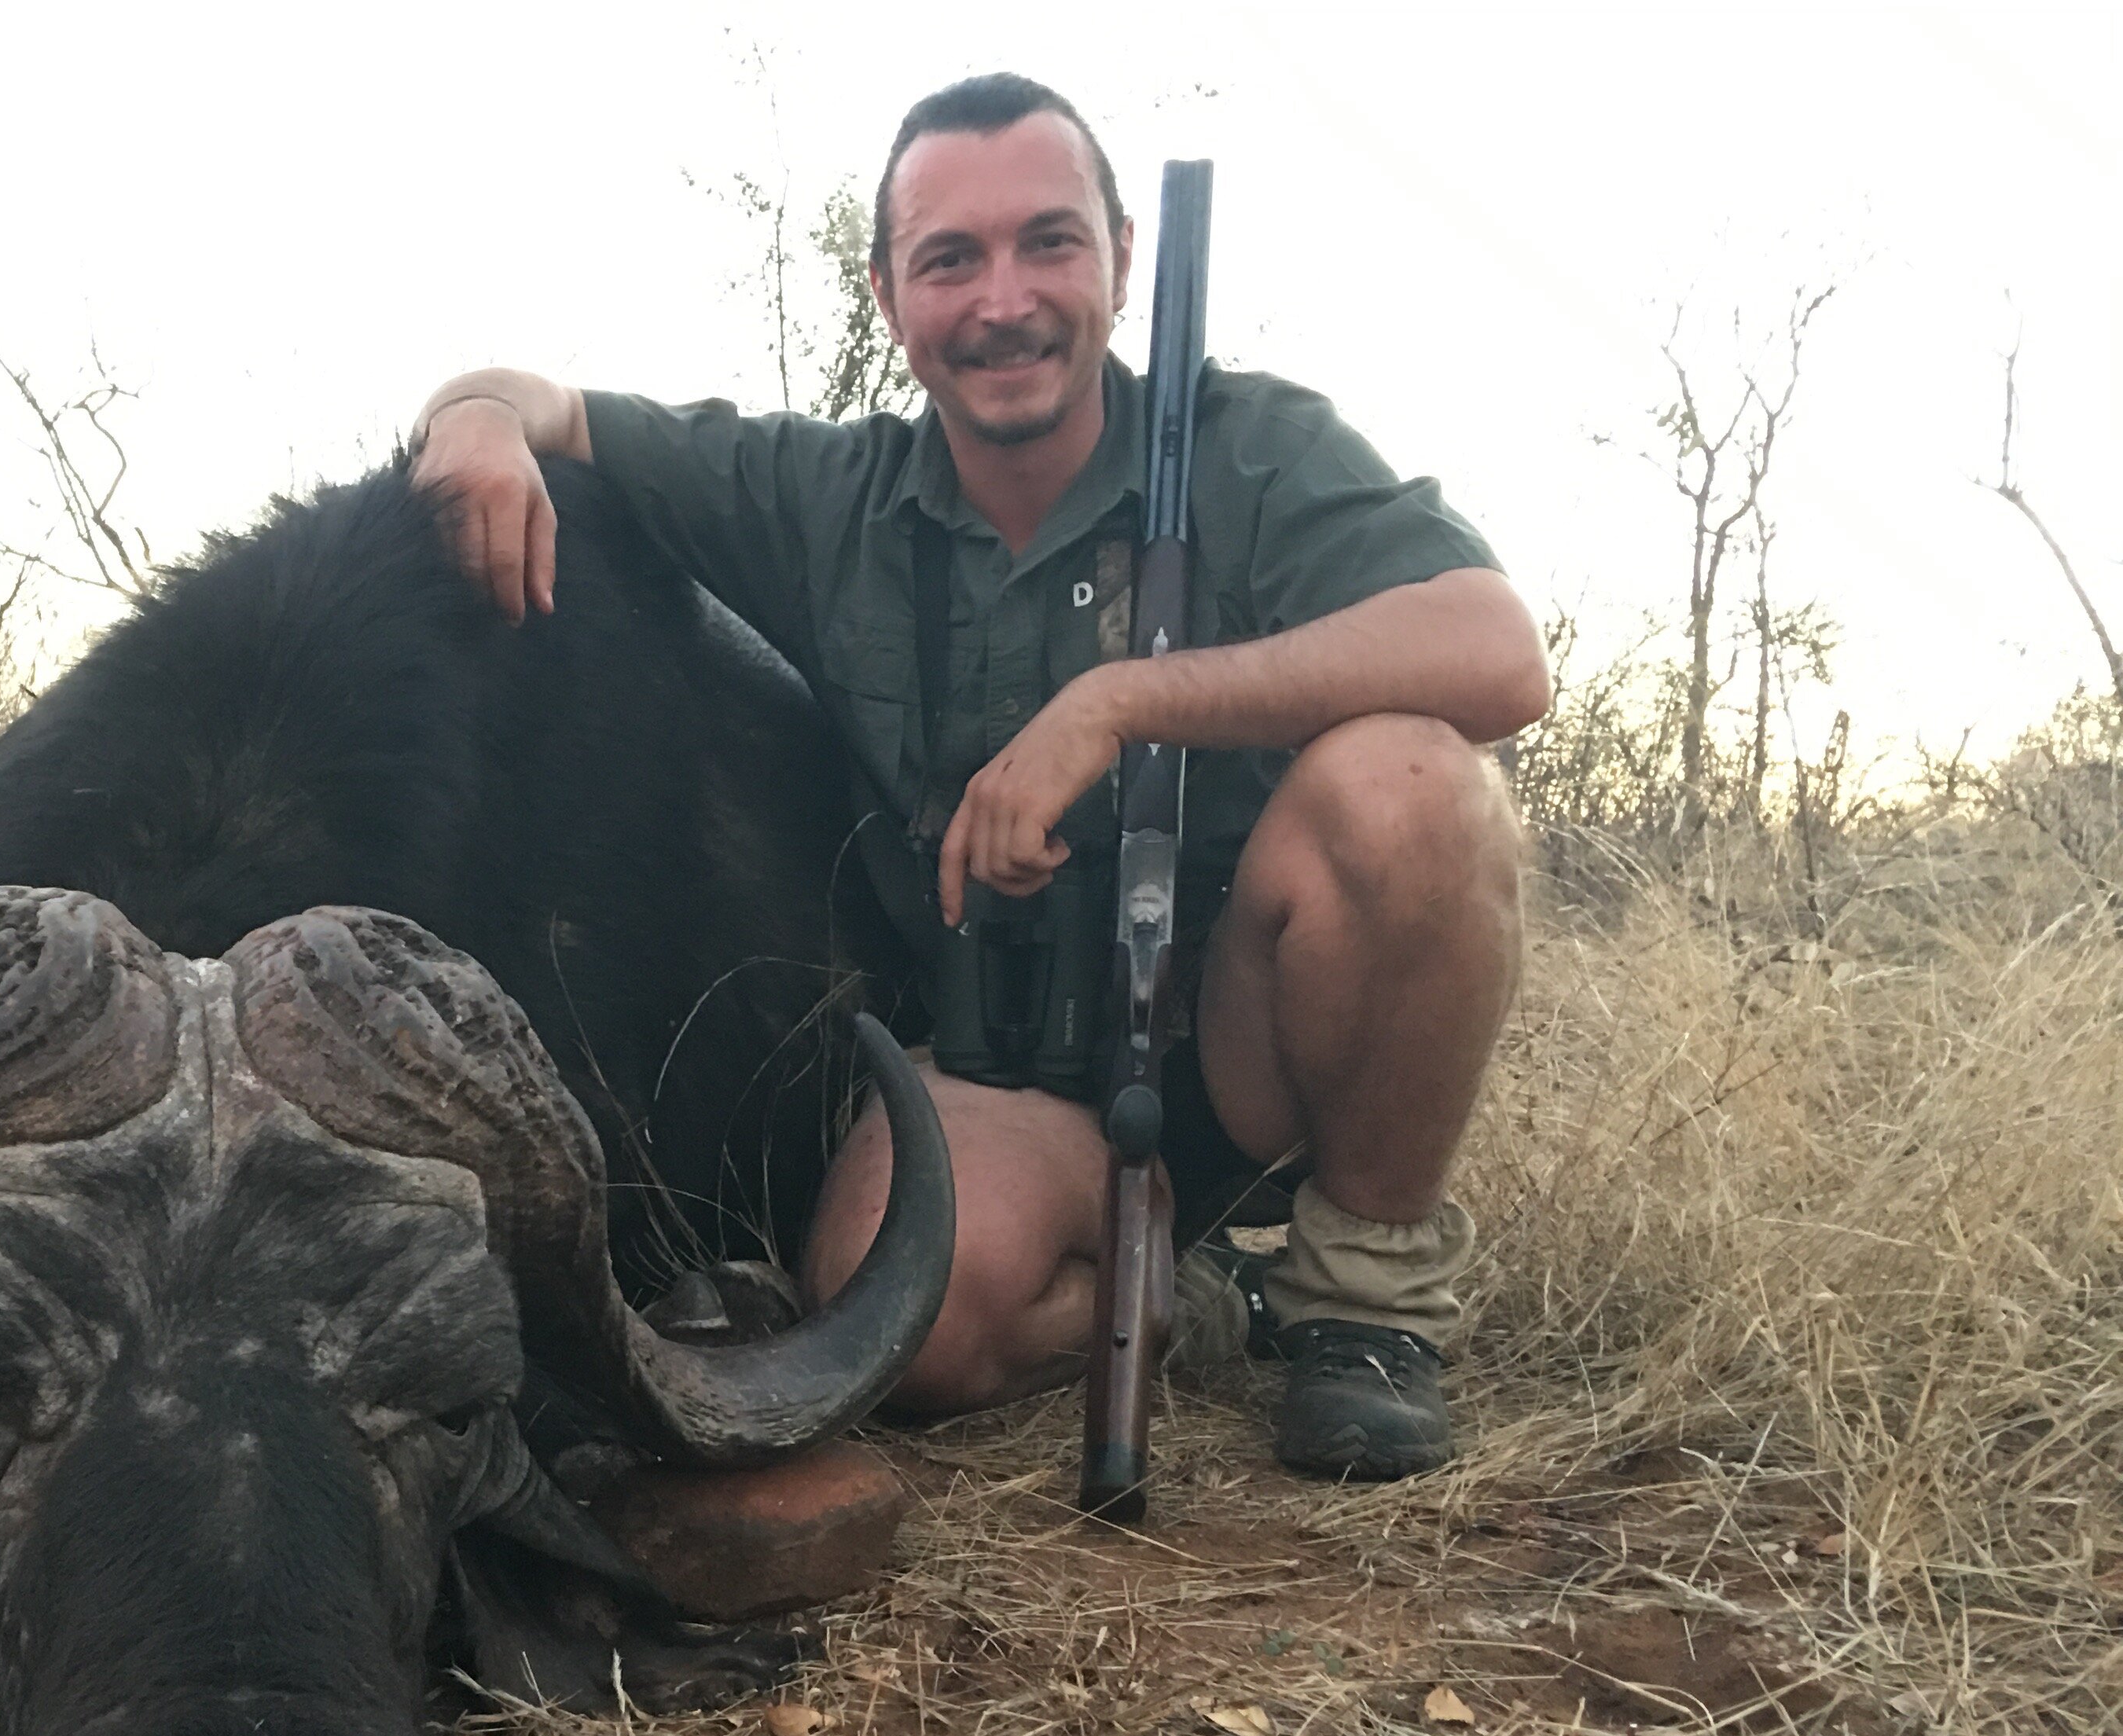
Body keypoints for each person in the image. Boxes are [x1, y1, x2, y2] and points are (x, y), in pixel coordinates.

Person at [407, 73, 1548, 1480]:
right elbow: (547, 406)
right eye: (949, 258)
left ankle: (1362, 1297)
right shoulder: (821, 494)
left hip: (1246, 1047)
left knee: (1414, 788)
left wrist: (1121, 700)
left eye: (1048, 242)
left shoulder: (1252, 447)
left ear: (1121, 258)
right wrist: (467, 414)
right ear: (890, 294)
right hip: (1010, 1074)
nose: (1003, 299)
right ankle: (1191, 1299)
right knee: (911, 1328)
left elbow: (1496, 652)